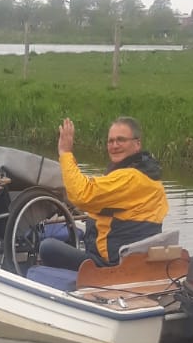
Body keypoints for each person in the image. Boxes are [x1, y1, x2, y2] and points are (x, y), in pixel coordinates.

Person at [39, 115, 169, 271]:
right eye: (111, 141)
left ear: (137, 144)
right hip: (133, 261)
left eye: (120, 140)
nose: (114, 145)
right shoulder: (149, 176)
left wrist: (65, 153)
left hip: (109, 267)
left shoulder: (130, 178)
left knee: (47, 246)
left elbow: (82, 195)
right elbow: (103, 200)